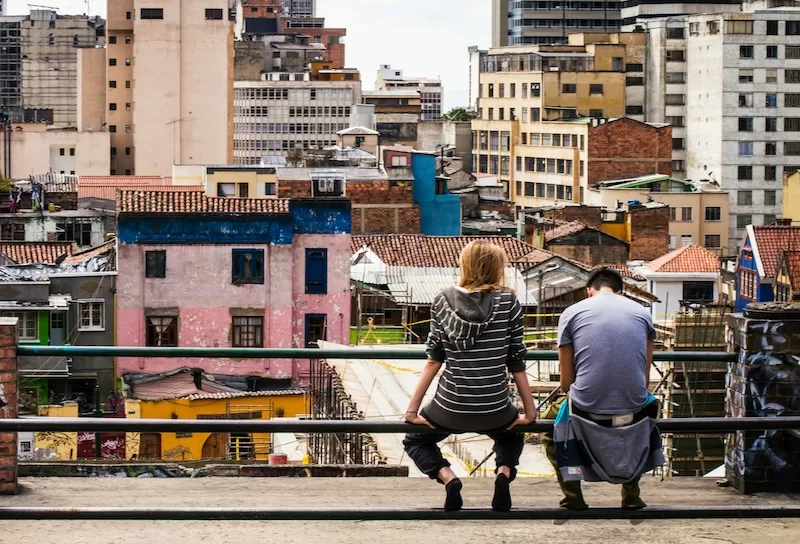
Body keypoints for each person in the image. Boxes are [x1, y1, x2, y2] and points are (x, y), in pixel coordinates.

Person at [403, 240, 537, 512]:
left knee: (415, 439)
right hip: (495, 405)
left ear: (465, 265)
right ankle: (503, 473)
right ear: (497, 267)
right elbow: (516, 361)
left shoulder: (442, 299)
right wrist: (530, 412)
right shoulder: (508, 301)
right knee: (511, 436)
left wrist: (412, 411)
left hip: (450, 405)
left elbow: (433, 361)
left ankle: (448, 477)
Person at [542, 267, 662, 510]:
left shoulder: (571, 313)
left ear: (589, 291)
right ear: (621, 292)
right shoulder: (642, 314)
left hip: (586, 408)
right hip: (635, 407)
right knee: (645, 418)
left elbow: (566, 384)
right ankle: (631, 495)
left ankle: (573, 497)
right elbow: (645, 378)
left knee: (547, 429)